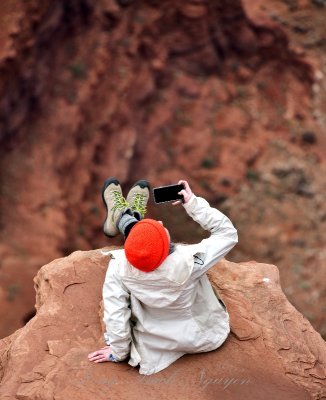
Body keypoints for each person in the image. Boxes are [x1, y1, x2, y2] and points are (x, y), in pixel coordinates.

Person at [88, 177, 238, 375]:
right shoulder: (189, 261)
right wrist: (192, 203)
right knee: (145, 245)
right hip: (203, 337)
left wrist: (118, 352)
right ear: (167, 248)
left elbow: (115, 314)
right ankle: (129, 218)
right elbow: (228, 234)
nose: (159, 221)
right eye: (160, 228)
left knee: (139, 252)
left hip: (154, 344)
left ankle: (125, 218)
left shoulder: (119, 265)